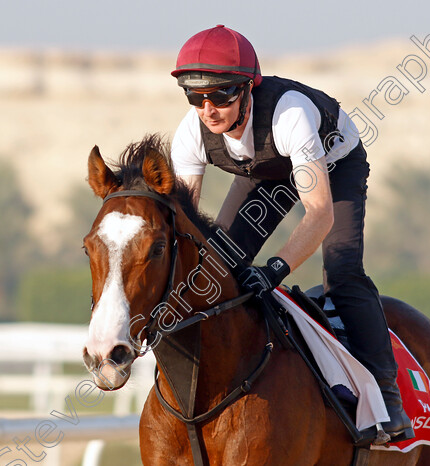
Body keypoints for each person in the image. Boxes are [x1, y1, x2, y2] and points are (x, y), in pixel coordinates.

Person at [169, 24, 414, 442]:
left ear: (249, 88)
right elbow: (183, 228)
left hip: (333, 165)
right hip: (264, 171)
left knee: (340, 272)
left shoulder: (291, 113)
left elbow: (319, 216)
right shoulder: (189, 134)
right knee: (218, 266)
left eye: (222, 95)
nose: (209, 109)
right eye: (197, 96)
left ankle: (387, 398)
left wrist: (275, 269)